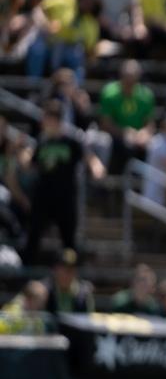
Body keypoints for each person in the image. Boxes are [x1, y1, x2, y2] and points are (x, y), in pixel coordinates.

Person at [23, 103, 104, 263]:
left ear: (57, 120)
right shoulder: (42, 142)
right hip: (43, 197)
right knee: (33, 234)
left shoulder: (71, 141)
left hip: (65, 197)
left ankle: (71, 272)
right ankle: (26, 270)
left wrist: (96, 168)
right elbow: (30, 165)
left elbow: (89, 157)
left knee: (69, 239)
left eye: (49, 119)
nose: (45, 123)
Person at [98, 58, 155, 174]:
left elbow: (150, 123)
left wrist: (144, 133)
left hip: (138, 139)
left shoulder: (146, 95)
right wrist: (124, 132)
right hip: (115, 138)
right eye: (126, 79)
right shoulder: (109, 93)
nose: (129, 83)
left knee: (152, 147)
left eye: (132, 80)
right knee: (122, 146)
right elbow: (105, 124)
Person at [45, 248, 94, 313]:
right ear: (55, 270)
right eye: (63, 270)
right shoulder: (44, 290)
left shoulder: (84, 293)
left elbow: (89, 318)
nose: (66, 275)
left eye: (70, 270)